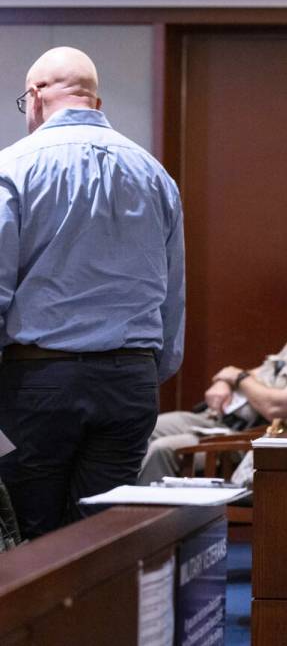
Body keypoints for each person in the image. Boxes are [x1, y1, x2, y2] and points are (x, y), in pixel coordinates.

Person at [0, 47, 185, 539]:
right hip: (130, 383)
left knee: (28, 537)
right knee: (101, 540)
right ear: (96, 104)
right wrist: (148, 370)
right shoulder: (155, 175)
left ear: (35, 96)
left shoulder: (13, 168)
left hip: (36, 381)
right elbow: (172, 294)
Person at [138, 275, 287, 484]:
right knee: (148, 427)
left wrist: (236, 375)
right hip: (216, 418)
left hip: (246, 435)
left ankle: (141, 513)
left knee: (162, 449)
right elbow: (251, 375)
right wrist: (226, 380)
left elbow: (276, 406)